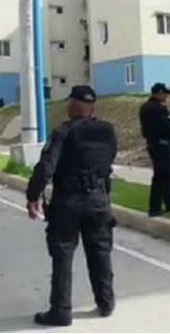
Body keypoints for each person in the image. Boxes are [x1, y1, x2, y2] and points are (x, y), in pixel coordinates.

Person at [26, 86, 118, 326]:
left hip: (68, 201)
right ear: (92, 108)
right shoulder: (107, 131)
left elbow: (47, 166)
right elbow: (109, 161)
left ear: (71, 105)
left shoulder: (64, 131)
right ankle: (105, 301)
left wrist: (33, 195)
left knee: (63, 254)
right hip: (98, 199)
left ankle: (61, 310)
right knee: (100, 251)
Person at [139, 83, 170, 217]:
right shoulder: (157, 109)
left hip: (155, 143)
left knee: (167, 174)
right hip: (161, 144)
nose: (165, 97)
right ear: (158, 93)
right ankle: (156, 207)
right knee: (161, 175)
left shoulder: (146, 107)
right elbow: (168, 126)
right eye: (164, 94)